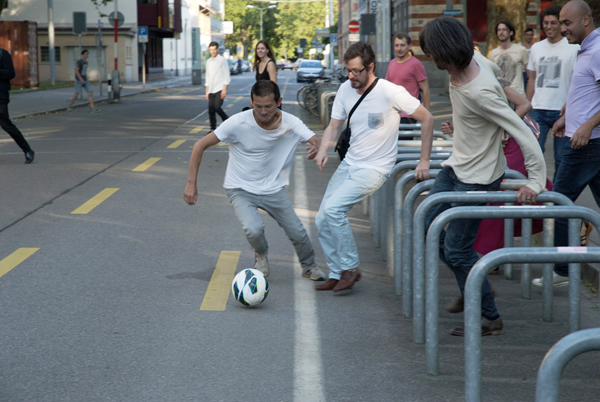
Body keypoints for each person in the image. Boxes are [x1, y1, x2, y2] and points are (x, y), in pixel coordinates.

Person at [419, 17, 546, 336]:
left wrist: (535, 181)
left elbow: (522, 131)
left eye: (437, 58)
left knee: (457, 250)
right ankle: (474, 282)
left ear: (448, 53)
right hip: (456, 165)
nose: (438, 66)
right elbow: (497, 73)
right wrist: (464, 126)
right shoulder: (474, 59)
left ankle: (487, 315)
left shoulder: (481, 91)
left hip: (479, 176)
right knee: (427, 227)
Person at [313, 41, 434, 293]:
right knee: (322, 218)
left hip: (375, 168)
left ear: (370, 67)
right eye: (348, 70)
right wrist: (324, 147)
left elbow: (427, 118)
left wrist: (424, 160)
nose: (351, 76)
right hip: (350, 163)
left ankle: (351, 268)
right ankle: (336, 272)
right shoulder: (346, 89)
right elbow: (334, 126)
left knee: (334, 210)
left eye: (356, 71)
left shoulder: (391, 92)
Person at [184, 80, 326, 281]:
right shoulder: (237, 122)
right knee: (253, 229)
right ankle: (261, 254)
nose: (263, 111)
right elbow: (199, 145)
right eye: (258, 106)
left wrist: (317, 147)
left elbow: (314, 139)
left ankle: (309, 266)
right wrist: (191, 183)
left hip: (273, 189)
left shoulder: (290, 123)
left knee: (298, 233)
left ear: (279, 102)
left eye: (268, 106)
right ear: (251, 103)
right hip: (240, 188)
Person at [533, 0, 600, 288]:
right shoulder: (585, 50)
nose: (562, 29)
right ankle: (565, 268)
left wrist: (586, 125)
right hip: (586, 140)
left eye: (567, 23)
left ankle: (563, 269)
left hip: (585, 144)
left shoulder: (597, 51)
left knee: (558, 205)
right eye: (559, 23)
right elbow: (586, 94)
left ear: (586, 20)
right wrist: (566, 117)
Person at [526, 5, 579, 181]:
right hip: (537, 109)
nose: (548, 26)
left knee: (561, 158)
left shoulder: (573, 48)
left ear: (561, 24)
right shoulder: (536, 48)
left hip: (562, 111)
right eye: (545, 23)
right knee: (533, 154)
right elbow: (532, 79)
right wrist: (527, 106)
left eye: (553, 23)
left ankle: (557, 197)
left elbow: (577, 81)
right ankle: (536, 190)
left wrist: (571, 105)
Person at [385, 32, 431, 124]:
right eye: (396, 45)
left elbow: (426, 90)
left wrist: (426, 115)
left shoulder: (416, 64)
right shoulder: (392, 63)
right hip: (391, 114)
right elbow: (386, 89)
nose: (399, 48)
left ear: (409, 46)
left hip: (408, 114)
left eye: (402, 45)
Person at [0, 47, 34, 163]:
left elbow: (11, 73)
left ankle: (27, 150)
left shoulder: (2, 54)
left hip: (0, 96)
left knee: (6, 125)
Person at [490, 20, 530, 96]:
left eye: (504, 30)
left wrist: (528, 97)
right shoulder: (493, 53)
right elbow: (492, 75)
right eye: (499, 30)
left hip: (518, 95)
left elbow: (530, 75)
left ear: (511, 33)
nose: (501, 32)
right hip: (501, 95)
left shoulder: (521, 50)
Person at [205, 42, 230, 133]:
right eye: (211, 50)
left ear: (217, 49)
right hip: (211, 89)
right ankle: (212, 128)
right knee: (211, 110)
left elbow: (226, 74)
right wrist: (207, 90)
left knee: (217, 107)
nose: (213, 51)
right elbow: (208, 76)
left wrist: (225, 89)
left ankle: (228, 121)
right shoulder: (208, 61)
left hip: (220, 88)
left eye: (214, 49)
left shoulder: (222, 60)